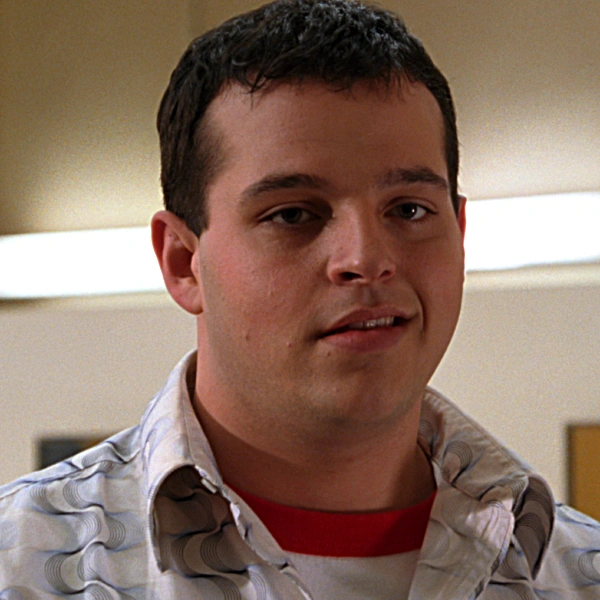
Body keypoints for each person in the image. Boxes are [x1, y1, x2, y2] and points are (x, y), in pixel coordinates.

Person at [1, 0, 599, 597]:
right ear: (184, 262)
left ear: (460, 235)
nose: (365, 257)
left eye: (409, 210)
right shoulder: (21, 568)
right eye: (292, 214)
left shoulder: (576, 573)